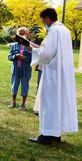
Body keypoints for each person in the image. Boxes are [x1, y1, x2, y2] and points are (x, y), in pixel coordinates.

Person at [28, 8, 78, 144]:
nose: (43, 23)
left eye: (43, 20)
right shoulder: (65, 30)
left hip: (53, 74)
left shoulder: (53, 31)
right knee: (57, 103)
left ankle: (45, 135)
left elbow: (47, 53)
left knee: (49, 103)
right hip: (63, 73)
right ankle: (55, 134)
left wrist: (32, 49)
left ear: (48, 18)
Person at [8, 27, 32, 110]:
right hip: (15, 70)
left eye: (23, 34)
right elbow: (9, 57)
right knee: (14, 86)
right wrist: (15, 56)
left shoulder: (30, 46)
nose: (21, 35)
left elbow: (33, 59)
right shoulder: (14, 46)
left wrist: (24, 58)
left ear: (27, 35)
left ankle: (23, 104)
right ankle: (13, 102)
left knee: (25, 86)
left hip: (26, 70)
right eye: (20, 34)